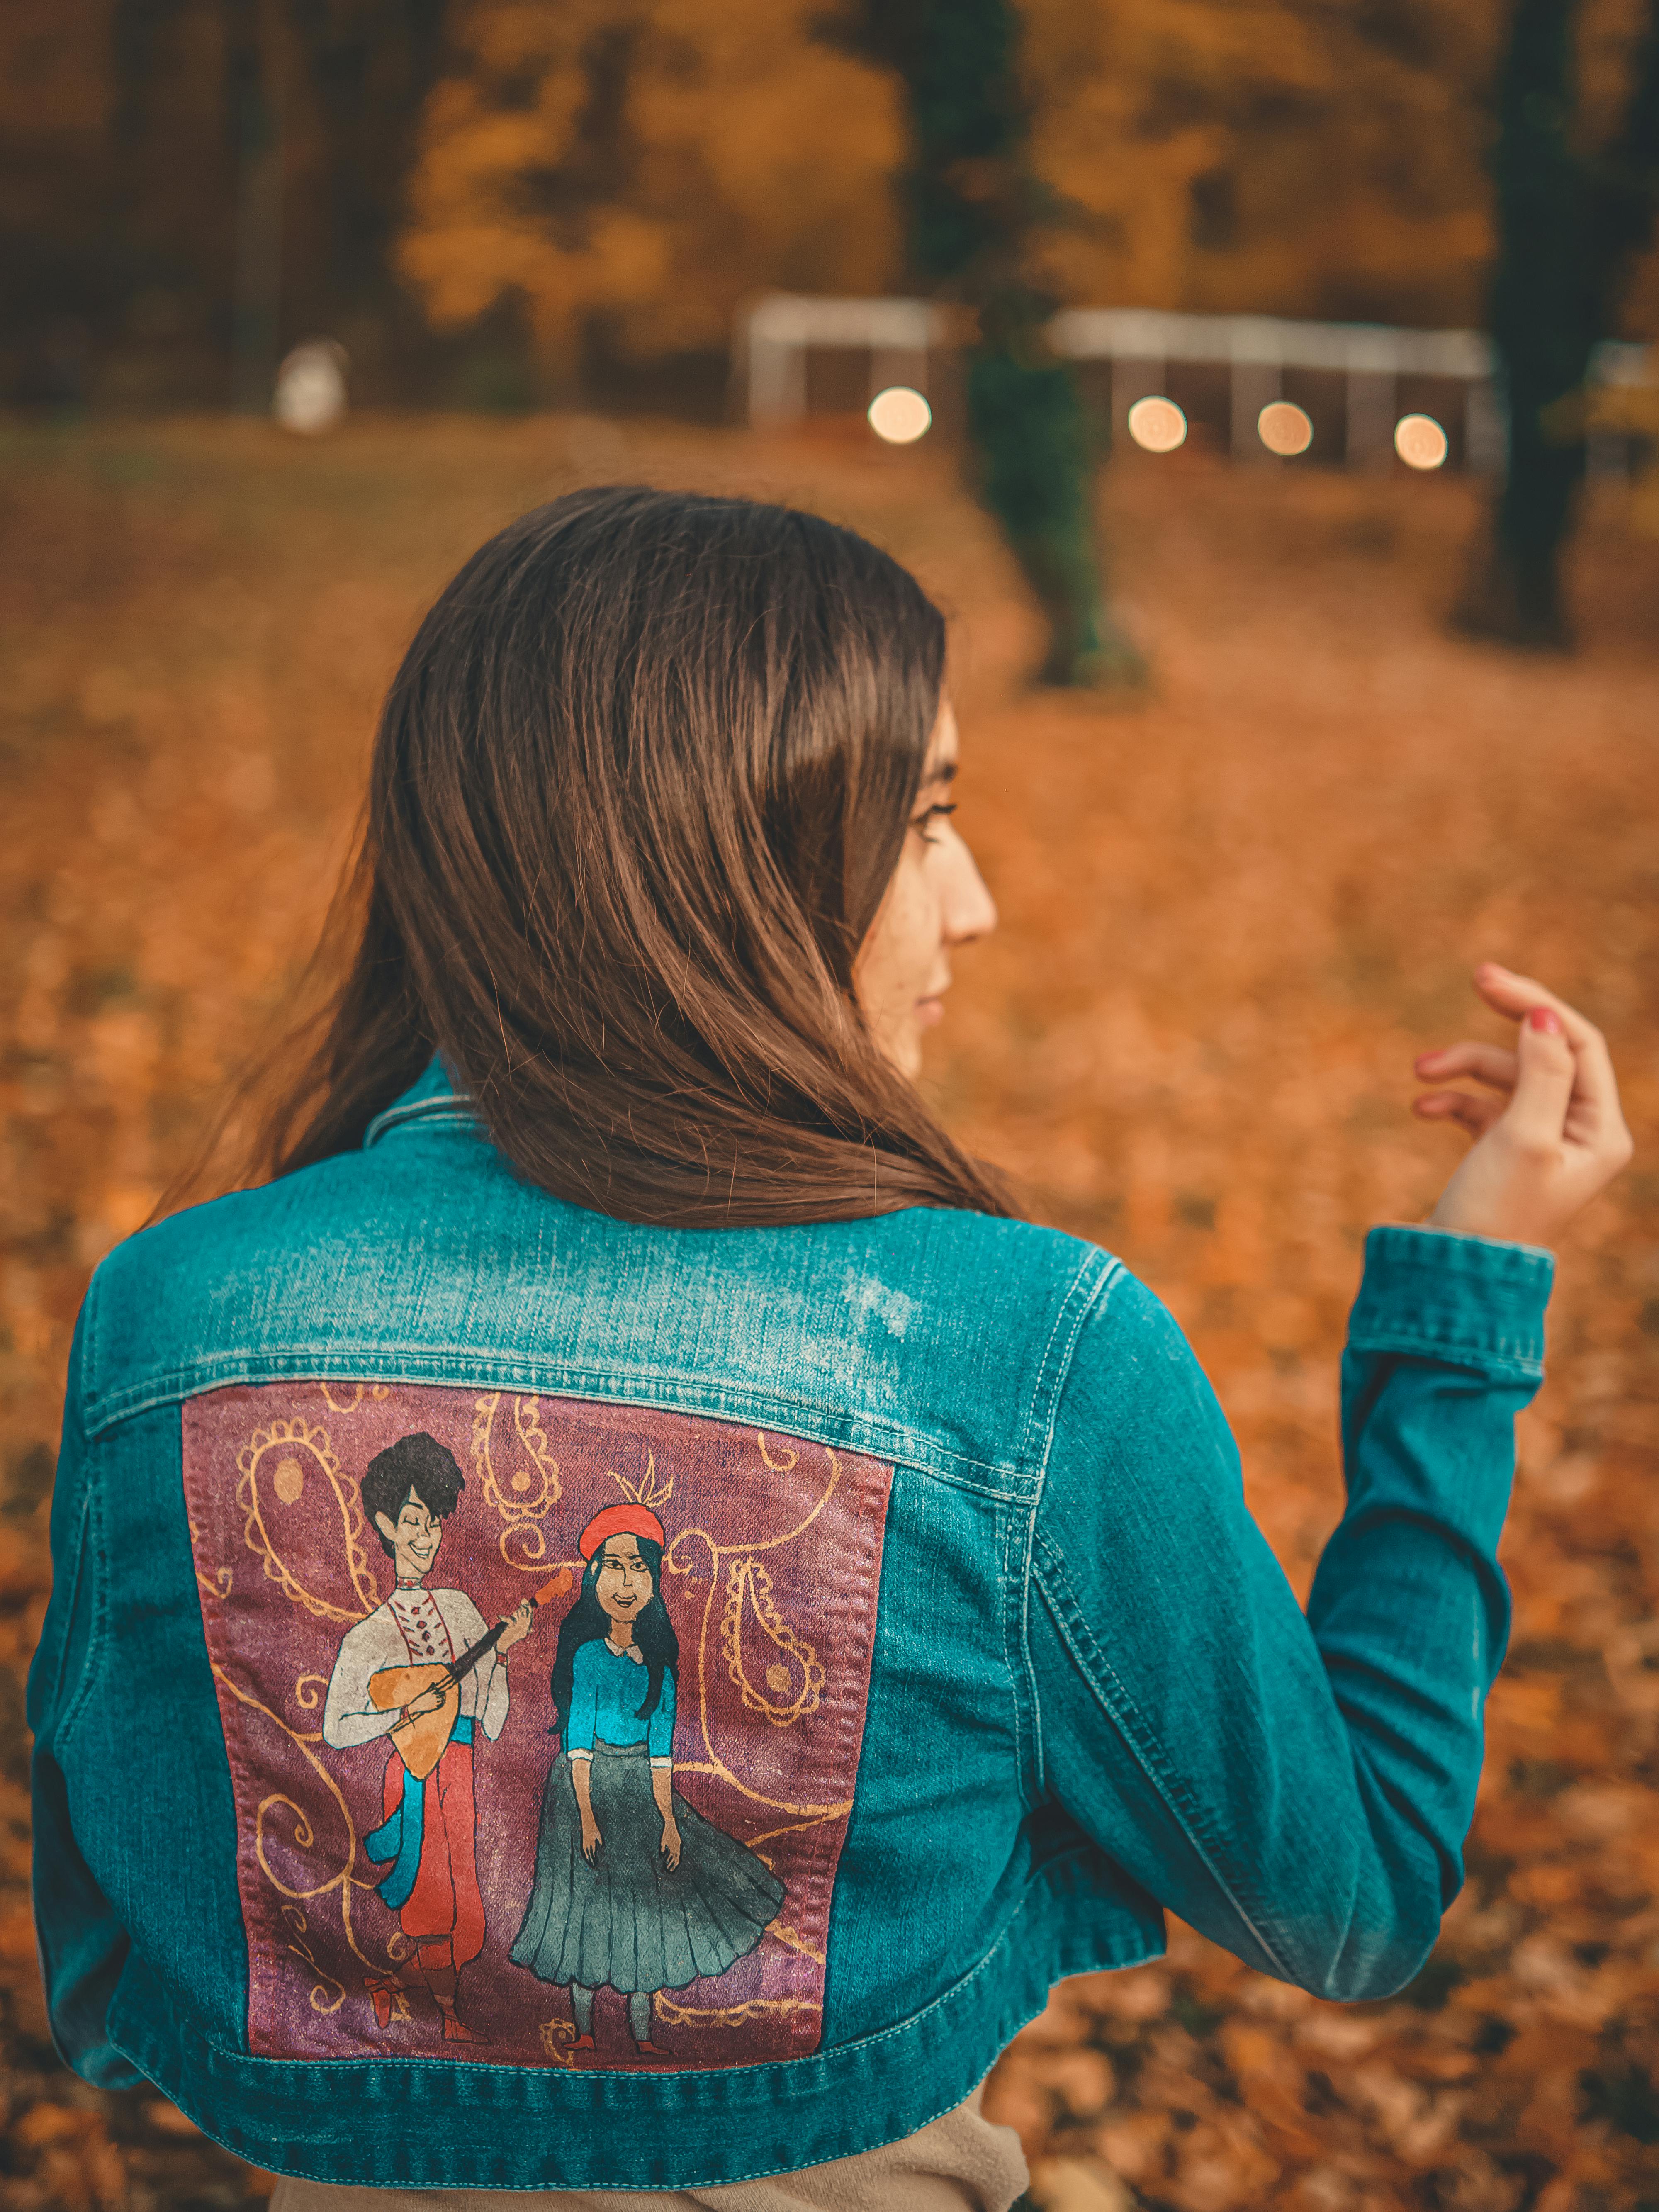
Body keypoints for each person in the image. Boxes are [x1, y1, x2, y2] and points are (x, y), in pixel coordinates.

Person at [28, 488, 1632, 2212]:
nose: (976, 902)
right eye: (926, 818)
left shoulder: (169, 1317)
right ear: (724, 849)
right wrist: (1467, 1309)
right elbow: (1353, 1898)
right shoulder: (1023, 1357)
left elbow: (116, 1966)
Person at [510, 1504, 786, 2058]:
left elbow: (662, 1755)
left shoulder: (660, 1665)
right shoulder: (588, 1657)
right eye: (613, 1567)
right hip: (584, 1789)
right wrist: (587, 1816)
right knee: (584, 1910)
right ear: (593, 1578)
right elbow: (578, 1743)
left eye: (638, 1568)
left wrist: (669, 1821)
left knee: (645, 1909)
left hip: (639, 1791)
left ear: (654, 1581)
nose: (625, 1583)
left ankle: (641, 2034)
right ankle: (585, 2029)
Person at [321, 1431, 533, 2042]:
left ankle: (393, 1987)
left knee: (471, 1915)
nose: (426, 1538)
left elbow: (491, 1716)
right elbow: (336, 1727)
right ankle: (448, 2018)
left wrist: (501, 1656)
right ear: (386, 1525)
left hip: (460, 1767)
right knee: (435, 1905)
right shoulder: (367, 1636)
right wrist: (401, 1714)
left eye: (435, 1523)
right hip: (414, 1773)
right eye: (413, 1522)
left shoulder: (462, 1609)